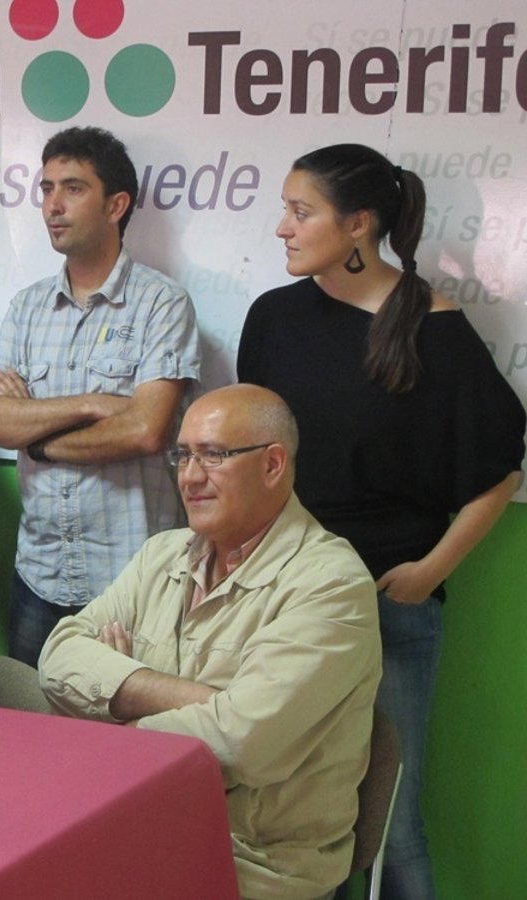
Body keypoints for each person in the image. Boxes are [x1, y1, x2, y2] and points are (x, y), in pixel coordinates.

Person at [236, 143, 526, 900]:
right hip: (282, 604)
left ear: (358, 224)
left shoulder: (434, 328)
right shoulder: (274, 318)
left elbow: (500, 468)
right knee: (293, 811)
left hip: (386, 608)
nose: (282, 228)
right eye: (285, 209)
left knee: (392, 825)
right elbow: (254, 455)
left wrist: (431, 572)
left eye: (301, 212)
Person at [39, 385, 381, 900]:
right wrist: (205, 701)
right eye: (183, 455)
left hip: (250, 864)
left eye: (214, 455)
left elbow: (241, 744)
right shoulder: (162, 553)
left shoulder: (331, 584)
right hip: (134, 827)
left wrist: (112, 710)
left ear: (272, 464)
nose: (190, 476)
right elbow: (57, 657)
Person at [0, 126, 200, 667]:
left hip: (133, 579)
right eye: (46, 189)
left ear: (116, 205)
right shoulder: (27, 308)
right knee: (32, 718)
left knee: (133, 720)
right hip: (41, 574)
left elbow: (144, 431)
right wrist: (91, 404)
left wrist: (36, 438)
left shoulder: (162, 304)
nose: (53, 205)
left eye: (72, 189)